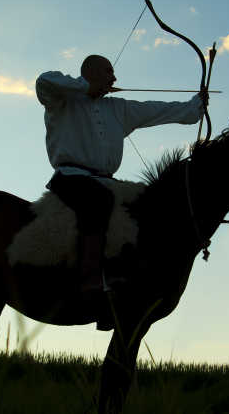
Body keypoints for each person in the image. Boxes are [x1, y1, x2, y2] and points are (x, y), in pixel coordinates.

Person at [36, 54, 207, 297]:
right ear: (91, 71)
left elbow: (160, 110)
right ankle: (90, 280)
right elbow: (44, 81)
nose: (114, 77)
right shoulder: (61, 100)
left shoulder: (118, 108)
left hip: (105, 181)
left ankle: (127, 282)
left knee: (146, 208)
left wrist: (195, 105)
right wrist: (86, 88)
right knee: (100, 200)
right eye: (108, 71)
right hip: (71, 178)